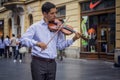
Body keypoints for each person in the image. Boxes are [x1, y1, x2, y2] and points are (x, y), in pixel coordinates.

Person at [21, 2, 81, 80]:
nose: (55, 15)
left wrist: (73, 39)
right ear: (44, 14)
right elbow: (23, 40)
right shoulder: (35, 27)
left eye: (55, 12)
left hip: (52, 63)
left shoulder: (58, 27)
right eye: (52, 13)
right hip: (38, 63)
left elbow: (60, 46)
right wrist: (37, 43)